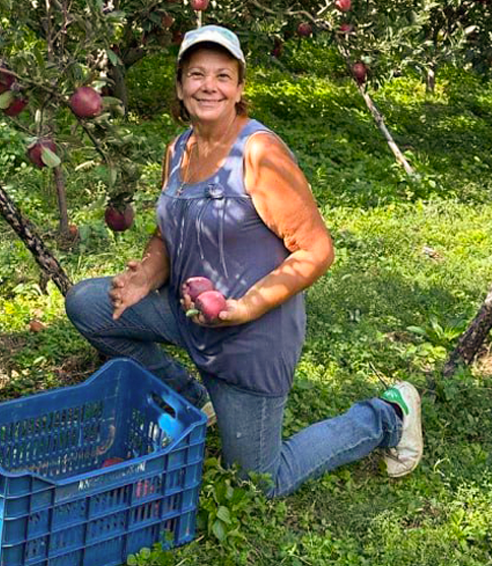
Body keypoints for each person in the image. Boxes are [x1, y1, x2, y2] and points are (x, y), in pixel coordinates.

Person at [64, 25, 422, 498]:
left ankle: (388, 415)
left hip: (249, 339)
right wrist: (144, 278)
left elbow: (316, 250)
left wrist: (246, 307)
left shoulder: (259, 153)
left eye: (222, 75)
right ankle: (193, 400)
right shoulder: (180, 148)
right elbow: (168, 231)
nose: (208, 85)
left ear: (238, 89)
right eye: (196, 74)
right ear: (179, 86)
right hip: (190, 314)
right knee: (88, 305)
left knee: (258, 481)